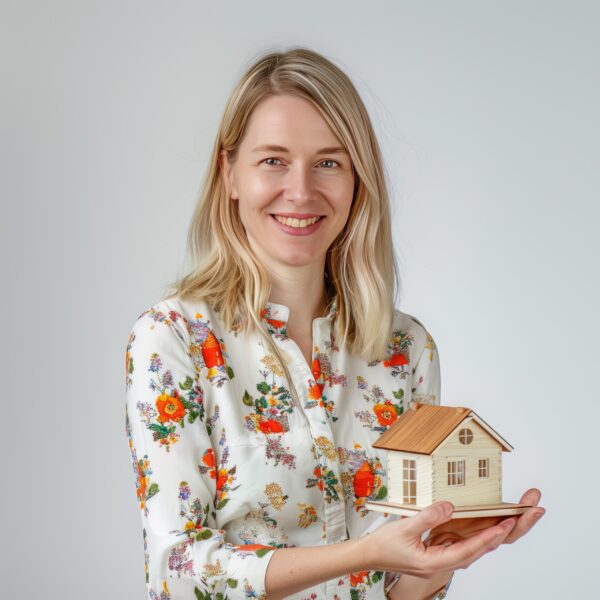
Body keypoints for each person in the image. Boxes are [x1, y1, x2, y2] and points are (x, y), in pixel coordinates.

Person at [124, 47, 544, 600]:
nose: (300, 192)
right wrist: (366, 554)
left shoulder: (406, 348)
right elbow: (178, 573)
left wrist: (448, 556)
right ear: (229, 174)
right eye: (273, 160)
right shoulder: (171, 339)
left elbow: (403, 588)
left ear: (356, 181)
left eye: (328, 162)